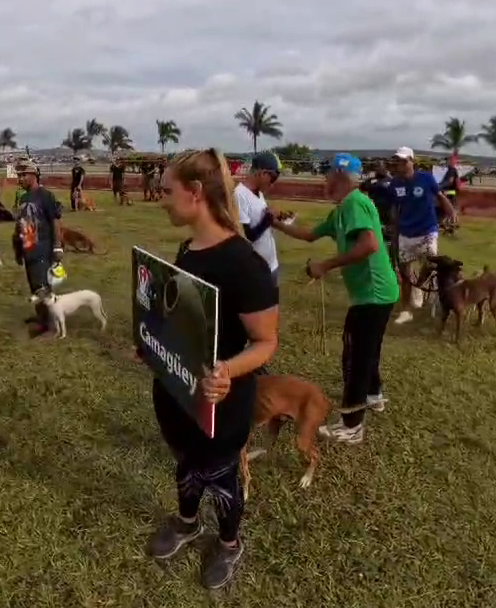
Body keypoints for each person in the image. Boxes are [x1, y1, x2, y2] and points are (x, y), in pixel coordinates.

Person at [144, 148, 278, 589]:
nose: (160, 199)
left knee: (220, 476)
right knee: (186, 462)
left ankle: (228, 543)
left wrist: (227, 371)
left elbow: (266, 343)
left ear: (196, 192)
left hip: (221, 400)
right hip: (179, 391)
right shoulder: (188, 248)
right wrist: (152, 339)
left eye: (167, 191)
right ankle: (187, 522)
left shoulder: (244, 264)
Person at [272, 153, 399, 444]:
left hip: (374, 294)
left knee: (355, 356)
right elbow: (309, 235)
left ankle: (352, 425)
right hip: (374, 294)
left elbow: (369, 244)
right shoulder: (342, 209)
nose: (325, 180)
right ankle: (373, 395)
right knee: (366, 349)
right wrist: (276, 224)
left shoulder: (355, 203)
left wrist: (324, 266)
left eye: (328, 174)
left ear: (341, 176)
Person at [388, 147, 455, 325]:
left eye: (404, 161)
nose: (400, 164)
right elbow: (395, 208)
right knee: (404, 273)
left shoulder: (425, 178)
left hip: (427, 230)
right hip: (405, 232)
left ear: (412, 161)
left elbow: (439, 196)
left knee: (431, 262)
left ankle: (420, 285)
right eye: (398, 161)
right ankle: (406, 310)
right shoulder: (395, 183)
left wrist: (451, 212)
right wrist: (394, 229)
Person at [13, 160, 63, 338]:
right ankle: (40, 316)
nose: (20, 178)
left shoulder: (45, 196)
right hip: (28, 248)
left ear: (34, 175)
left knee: (43, 287)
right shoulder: (24, 197)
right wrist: (18, 249)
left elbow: (55, 221)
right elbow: (20, 224)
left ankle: (48, 325)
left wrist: (58, 246)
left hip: (42, 248)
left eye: (23, 175)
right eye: (19, 175)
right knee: (34, 286)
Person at [233, 152, 281, 293]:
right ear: (261, 173)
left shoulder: (258, 194)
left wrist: (272, 217)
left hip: (271, 264)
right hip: (256, 269)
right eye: (271, 178)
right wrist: (268, 219)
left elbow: (260, 223)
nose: (272, 184)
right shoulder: (239, 195)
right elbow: (247, 236)